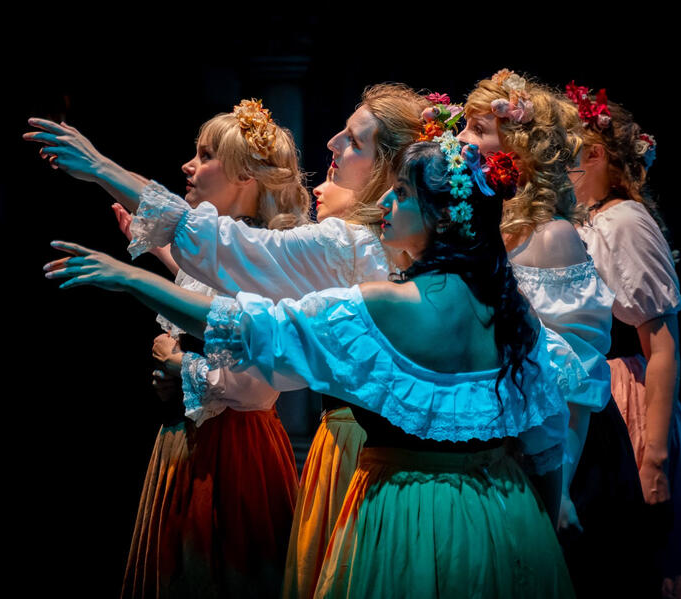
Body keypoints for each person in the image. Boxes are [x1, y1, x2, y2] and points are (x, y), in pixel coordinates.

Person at [42, 141, 579, 597]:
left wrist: (129, 280)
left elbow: (254, 328)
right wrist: (542, 536)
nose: (385, 201)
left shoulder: (387, 304)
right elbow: (546, 446)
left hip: (406, 516)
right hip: (507, 518)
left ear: (440, 217)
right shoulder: (513, 314)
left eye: (402, 194)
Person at [29, 83, 433, 598]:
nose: (332, 143)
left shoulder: (354, 241)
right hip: (409, 465)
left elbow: (255, 320)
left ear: (391, 164)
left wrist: (103, 173)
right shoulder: (378, 242)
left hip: (363, 452)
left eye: (353, 141)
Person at [29, 99, 308, 598]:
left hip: (235, 450)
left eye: (205, 156)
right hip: (190, 440)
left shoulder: (267, 255)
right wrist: (154, 244)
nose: (189, 165)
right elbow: (198, 273)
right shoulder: (229, 251)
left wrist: (181, 365)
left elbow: (257, 381)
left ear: (245, 174)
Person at [458, 69, 655, 597]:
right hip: (505, 442)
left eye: (479, 129)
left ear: (519, 147)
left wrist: (559, 485)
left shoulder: (551, 237)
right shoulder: (489, 229)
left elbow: (576, 375)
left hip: (565, 450)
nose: (461, 140)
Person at [568, 82, 681, 598]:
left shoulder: (624, 222)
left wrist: (653, 457)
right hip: (591, 391)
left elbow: (662, 346)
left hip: (625, 396)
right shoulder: (582, 220)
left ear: (593, 153)